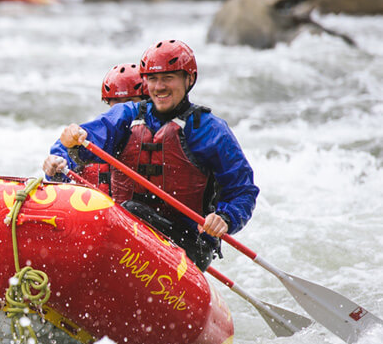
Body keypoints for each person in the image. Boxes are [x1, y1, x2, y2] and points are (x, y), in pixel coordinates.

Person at [42, 40, 259, 271]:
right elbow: (90, 137)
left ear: (189, 79)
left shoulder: (211, 130)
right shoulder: (127, 116)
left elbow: (243, 191)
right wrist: (71, 142)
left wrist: (225, 218)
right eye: (153, 79)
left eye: (168, 78)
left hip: (187, 244)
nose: (159, 87)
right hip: (127, 233)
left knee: (129, 211)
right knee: (120, 214)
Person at [79, 63, 148, 194]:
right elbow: (67, 152)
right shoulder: (100, 132)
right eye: (116, 101)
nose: (122, 108)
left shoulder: (156, 132)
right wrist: (56, 162)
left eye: (130, 100)